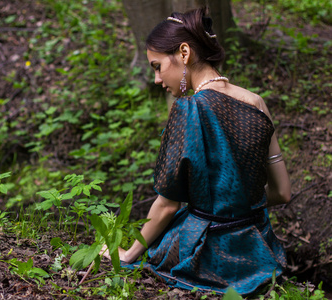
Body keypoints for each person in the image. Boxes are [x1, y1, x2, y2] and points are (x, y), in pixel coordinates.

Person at [101, 7, 291, 296]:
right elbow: (282, 193)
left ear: (184, 53)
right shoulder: (256, 103)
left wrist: (128, 254)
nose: (156, 79)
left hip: (207, 253)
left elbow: (167, 205)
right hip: (259, 251)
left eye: (157, 66)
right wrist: (240, 208)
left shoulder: (188, 110)